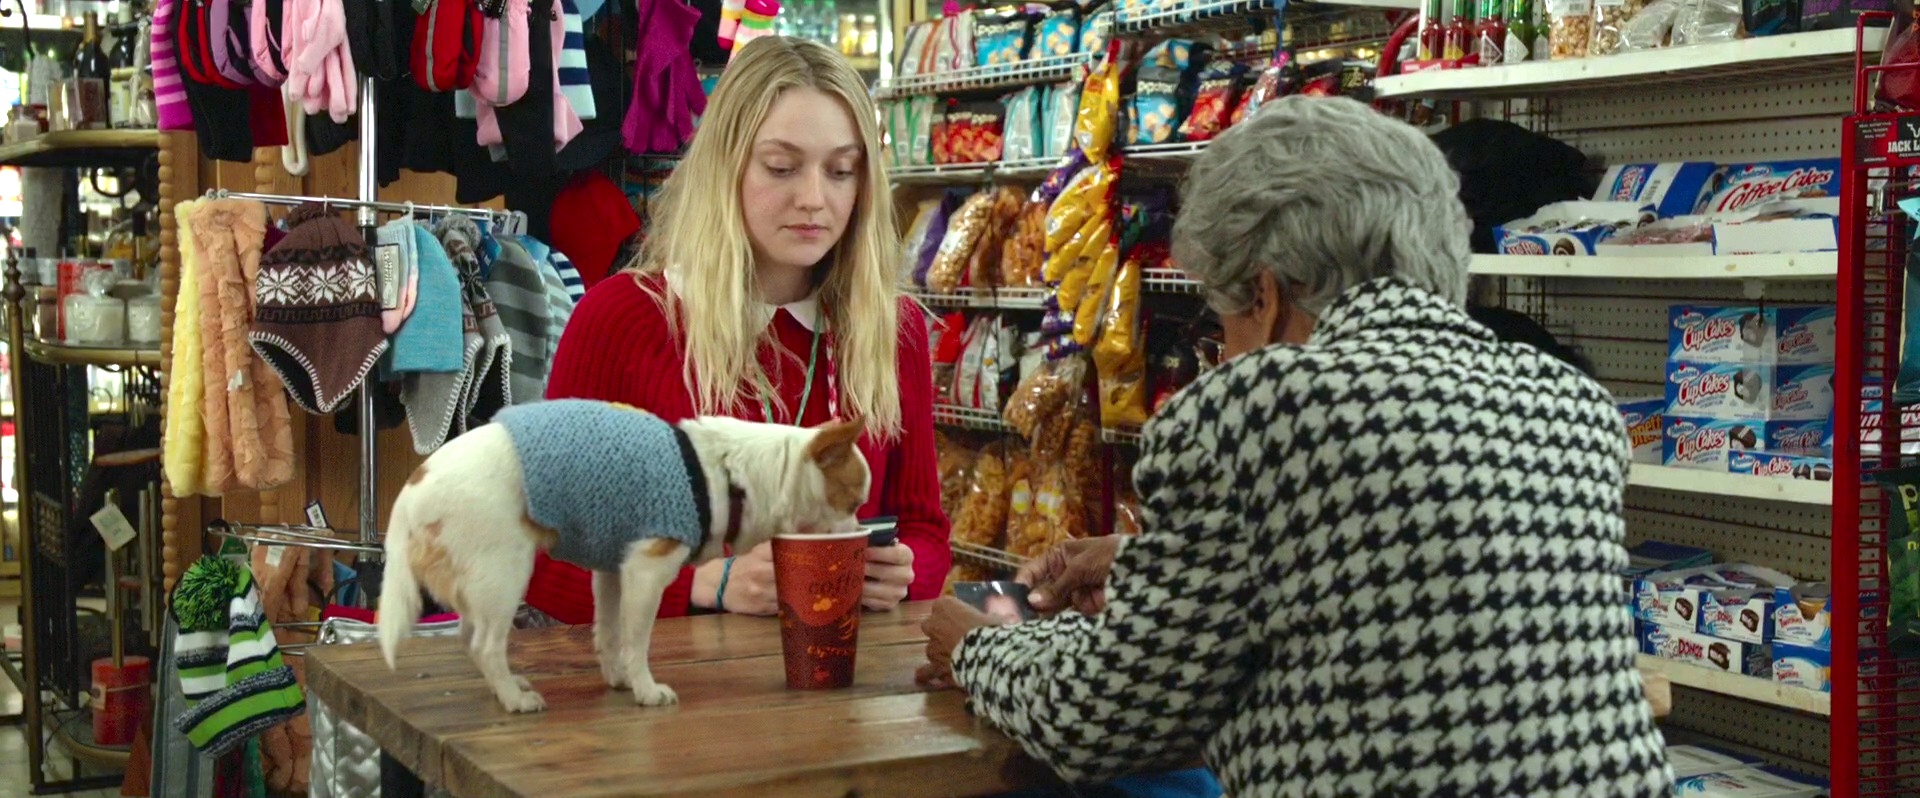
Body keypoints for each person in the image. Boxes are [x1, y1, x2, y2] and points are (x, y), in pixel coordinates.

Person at [916, 96, 1674, 797]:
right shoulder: (1570, 401)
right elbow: (1402, 572)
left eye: (1223, 323)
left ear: (1266, 296)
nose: (1226, 353)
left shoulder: (1253, 406)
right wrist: (1144, 558)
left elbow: (1107, 719)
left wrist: (978, 651)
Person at [522, 36, 951, 625]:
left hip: (839, 693)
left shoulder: (891, 330)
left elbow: (924, 528)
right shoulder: (622, 319)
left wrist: (901, 571)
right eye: (781, 167)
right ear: (727, 162)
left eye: (842, 171)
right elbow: (544, 558)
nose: (814, 199)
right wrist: (703, 584)